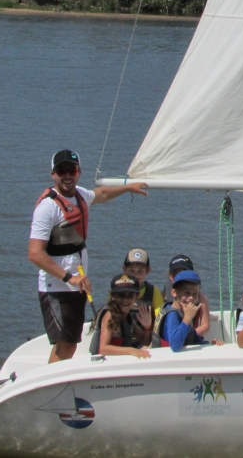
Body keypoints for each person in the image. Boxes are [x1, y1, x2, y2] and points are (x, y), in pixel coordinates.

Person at [28, 149, 148, 363]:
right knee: (65, 343)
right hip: (57, 287)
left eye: (72, 170)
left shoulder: (79, 195)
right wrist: (69, 278)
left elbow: (101, 194)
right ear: (53, 174)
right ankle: (53, 380)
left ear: (79, 172)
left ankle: (60, 377)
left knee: (71, 342)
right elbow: (35, 253)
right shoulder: (48, 207)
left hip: (78, 284)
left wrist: (128, 187)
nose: (67, 175)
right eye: (61, 171)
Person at [155, 270, 225, 351]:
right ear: (174, 292)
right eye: (187, 293)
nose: (191, 298)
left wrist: (210, 345)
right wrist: (187, 319)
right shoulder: (172, 315)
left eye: (195, 294)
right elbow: (174, 346)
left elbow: (193, 337)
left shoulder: (183, 313)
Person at [90, 274, 153, 358]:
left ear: (136, 297)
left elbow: (145, 342)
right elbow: (103, 349)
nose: (125, 300)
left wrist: (147, 327)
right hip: (104, 361)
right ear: (113, 296)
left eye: (130, 296)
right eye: (121, 295)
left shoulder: (127, 316)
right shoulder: (110, 315)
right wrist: (131, 350)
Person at [162, 254, 211, 339]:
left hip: (191, 338)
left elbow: (205, 326)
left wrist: (188, 336)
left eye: (184, 272)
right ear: (170, 276)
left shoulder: (201, 298)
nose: (180, 277)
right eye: (175, 274)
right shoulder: (163, 295)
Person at [123, 248, 158, 324]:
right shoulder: (118, 291)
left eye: (140, 271)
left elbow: (160, 320)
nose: (135, 275)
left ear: (148, 270)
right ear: (124, 269)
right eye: (131, 271)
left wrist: (148, 326)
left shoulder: (154, 292)